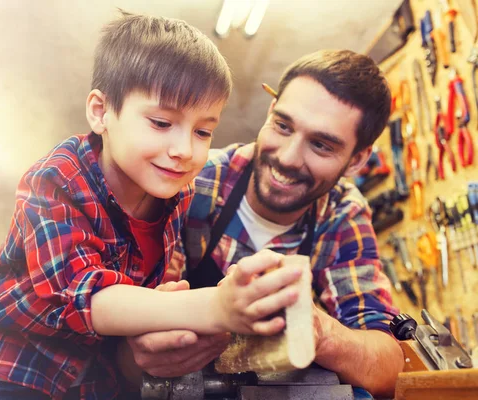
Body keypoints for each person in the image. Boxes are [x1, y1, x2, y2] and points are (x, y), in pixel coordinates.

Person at [0, 11, 311, 400]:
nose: (184, 150)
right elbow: (89, 299)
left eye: (203, 131)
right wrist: (214, 306)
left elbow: (149, 289)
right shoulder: (56, 180)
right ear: (101, 112)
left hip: (91, 371)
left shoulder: (178, 194)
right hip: (15, 363)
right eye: (160, 122)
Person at [125, 49, 404, 398]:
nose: (287, 157)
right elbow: (120, 338)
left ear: (357, 159)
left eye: (320, 145)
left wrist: (320, 332)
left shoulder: (342, 215)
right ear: (270, 111)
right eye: (283, 126)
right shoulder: (193, 180)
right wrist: (149, 336)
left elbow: (391, 366)